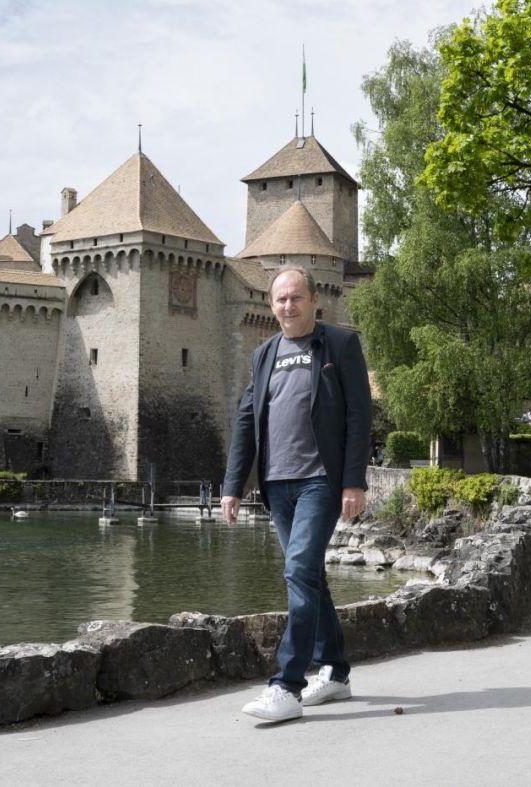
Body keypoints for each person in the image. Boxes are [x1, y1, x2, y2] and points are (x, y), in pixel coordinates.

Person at [221, 267, 372, 722]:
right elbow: (247, 419)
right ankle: (338, 673)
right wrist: (232, 486)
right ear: (271, 305)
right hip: (277, 484)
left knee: (299, 570)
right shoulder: (263, 354)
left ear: (314, 301)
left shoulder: (340, 345)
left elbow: (359, 416)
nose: (288, 306)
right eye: (280, 299)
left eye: (296, 298)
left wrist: (353, 481)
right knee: (308, 577)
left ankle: (287, 684)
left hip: (319, 480)